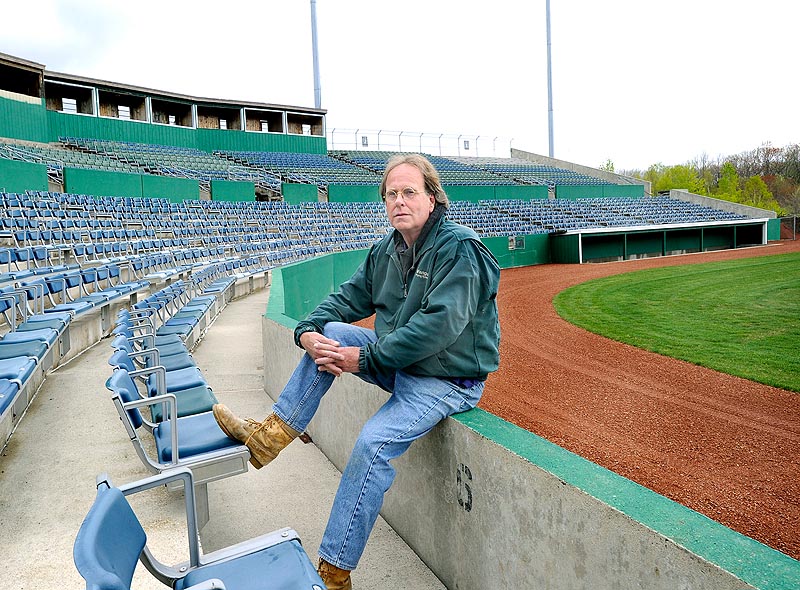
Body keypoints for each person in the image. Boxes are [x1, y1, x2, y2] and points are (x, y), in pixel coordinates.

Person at [213, 153, 501, 589]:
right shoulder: (387, 250)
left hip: (447, 379)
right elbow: (346, 300)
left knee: (371, 443)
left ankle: (333, 571)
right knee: (332, 331)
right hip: (401, 363)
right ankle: (270, 437)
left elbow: (438, 327)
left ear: (432, 197)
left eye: (409, 192)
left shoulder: (459, 247)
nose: (399, 201)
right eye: (391, 194)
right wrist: (307, 333)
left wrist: (364, 360)